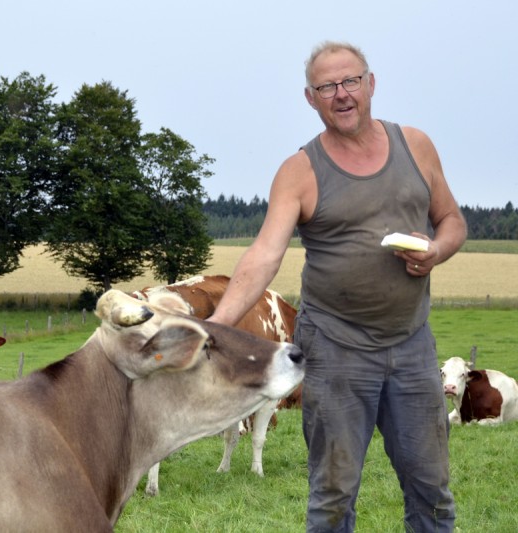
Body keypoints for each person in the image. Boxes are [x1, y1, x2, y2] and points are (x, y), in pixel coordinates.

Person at [209, 41, 467, 532]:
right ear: (311, 98)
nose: (341, 94)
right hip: (335, 350)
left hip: (411, 344)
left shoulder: (416, 146)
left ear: (371, 84)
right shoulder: (299, 172)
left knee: (431, 490)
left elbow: (451, 220)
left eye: (351, 81)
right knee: (332, 496)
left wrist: (436, 250)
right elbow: (264, 254)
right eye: (327, 86)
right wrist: (217, 326)